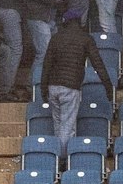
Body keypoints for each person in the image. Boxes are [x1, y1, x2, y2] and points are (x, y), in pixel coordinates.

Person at [41, 8, 113, 144]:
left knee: (58, 125)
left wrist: (43, 89)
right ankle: (64, 159)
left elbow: (46, 65)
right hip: (70, 87)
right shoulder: (85, 38)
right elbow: (98, 64)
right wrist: (108, 87)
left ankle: (58, 157)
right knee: (67, 126)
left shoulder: (56, 38)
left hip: (53, 86)